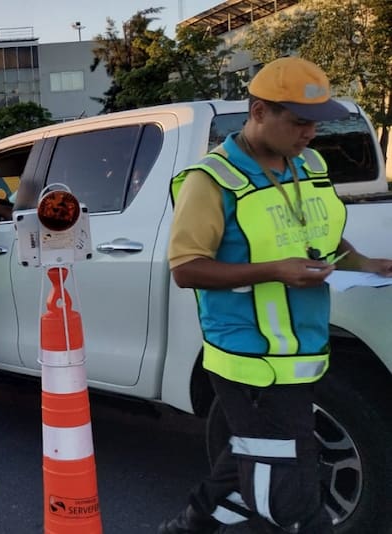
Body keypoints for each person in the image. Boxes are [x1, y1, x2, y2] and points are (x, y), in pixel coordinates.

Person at [161, 57, 392, 534]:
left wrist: (360, 262)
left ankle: (190, 526)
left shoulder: (309, 163)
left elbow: (316, 233)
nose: (311, 133)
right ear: (260, 110)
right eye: (300, 122)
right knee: (291, 489)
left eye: (316, 123)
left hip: (301, 349)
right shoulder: (211, 180)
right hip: (250, 359)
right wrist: (275, 272)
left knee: (253, 453)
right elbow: (186, 270)